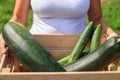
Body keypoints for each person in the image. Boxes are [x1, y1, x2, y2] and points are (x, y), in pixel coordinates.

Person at [0, 0, 118, 60]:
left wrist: (112, 35)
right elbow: (18, 18)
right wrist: (4, 36)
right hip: (35, 55)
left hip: (80, 57)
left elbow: (97, 19)